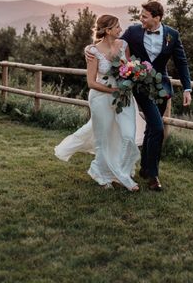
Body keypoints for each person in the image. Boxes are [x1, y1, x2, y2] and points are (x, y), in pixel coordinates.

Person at [55, 15, 142, 192]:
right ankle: (102, 174)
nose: (120, 30)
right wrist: (113, 91)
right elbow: (91, 82)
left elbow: (129, 68)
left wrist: (133, 77)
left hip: (124, 96)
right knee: (103, 138)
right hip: (101, 98)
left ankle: (122, 172)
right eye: (117, 27)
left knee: (127, 135)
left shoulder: (123, 45)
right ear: (108, 30)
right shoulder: (93, 51)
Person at [119, 0, 192, 191]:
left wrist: (187, 88)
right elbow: (114, 45)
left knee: (152, 128)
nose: (140, 19)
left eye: (144, 16)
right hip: (141, 86)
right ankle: (153, 175)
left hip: (162, 88)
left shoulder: (172, 35)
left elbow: (181, 62)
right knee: (158, 127)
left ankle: (145, 167)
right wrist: (92, 50)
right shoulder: (133, 31)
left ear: (156, 18)